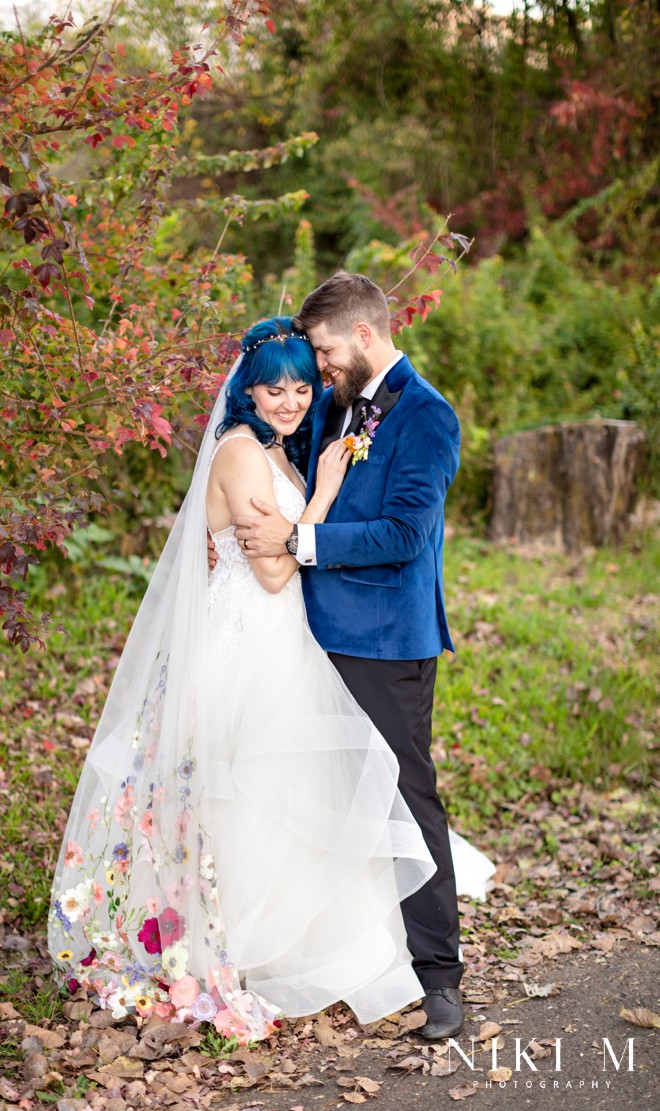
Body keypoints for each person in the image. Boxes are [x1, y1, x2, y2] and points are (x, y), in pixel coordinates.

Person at [47, 316, 444, 1042]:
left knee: (285, 793)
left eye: (301, 386)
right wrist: (320, 494)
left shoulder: (271, 446)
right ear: (247, 389)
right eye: (275, 388)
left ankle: (286, 943)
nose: (292, 401)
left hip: (284, 641)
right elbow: (268, 572)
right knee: (247, 792)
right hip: (247, 641)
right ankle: (243, 945)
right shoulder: (244, 452)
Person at [232, 273, 475, 1039]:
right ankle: (348, 954)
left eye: (328, 350)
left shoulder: (429, 418)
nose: (321, 367)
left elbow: (404, 537)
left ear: (365, 335)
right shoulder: (331, 402)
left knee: (405, 799)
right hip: (305, 635)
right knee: (319, 798)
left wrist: (298, 541)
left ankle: (440, 977)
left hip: (385, 643)